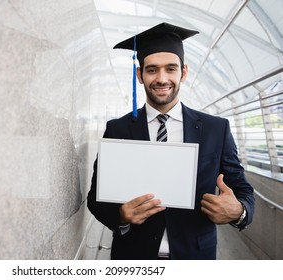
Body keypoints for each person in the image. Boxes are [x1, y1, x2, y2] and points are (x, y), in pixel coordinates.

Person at [87, 22, 255, 260]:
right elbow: (95, 198)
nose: (162, 78)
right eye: (152, 69)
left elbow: (243, 190)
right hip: (133, 256)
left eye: (170, 69)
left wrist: (238, 211)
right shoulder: (118, 129)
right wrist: (121, 216)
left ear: (183, 72)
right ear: (140, 75)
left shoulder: (215, 129)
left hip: (194, 258)